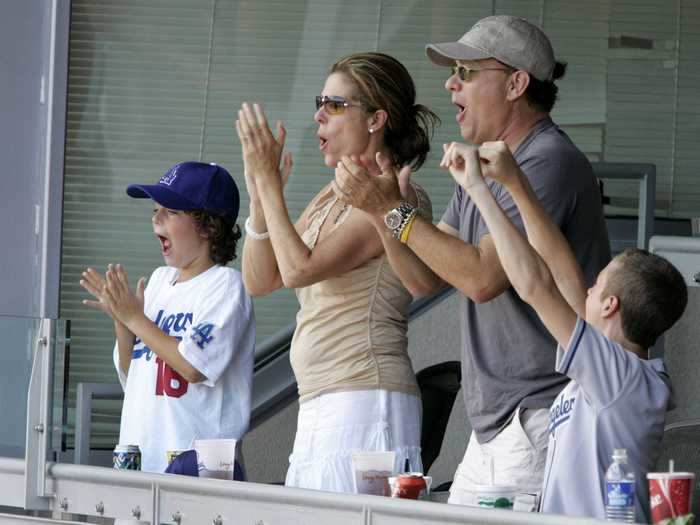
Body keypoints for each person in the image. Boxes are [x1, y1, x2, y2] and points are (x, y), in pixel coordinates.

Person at [333, 15, 611, 503]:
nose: (450, 83)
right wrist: (384, 214)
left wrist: (389, 213)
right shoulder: (487, 160)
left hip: (539, 414)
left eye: (466, 71)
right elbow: (425, 280)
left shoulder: (548, 160)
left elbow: (482, 278)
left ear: (516, 83)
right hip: (498, 427)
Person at [440, 140, 686, 522]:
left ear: (610, 305)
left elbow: (535, 285)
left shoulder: (618, 376)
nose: (588, 286)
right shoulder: (612, 369)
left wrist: (478, 190)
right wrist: (516, 183)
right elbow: (557, 266)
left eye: (599, 282)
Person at [235, 52, 439, 493]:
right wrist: (258, 198)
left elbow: (297, 269)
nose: (318, 116)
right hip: (323, 400)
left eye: (335, 105)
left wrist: (271, 186)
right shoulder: (331, 194)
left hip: (365, 397)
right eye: (319, 102)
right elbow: (259, 279)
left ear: (375, 119)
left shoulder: (392, 195)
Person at [80, 161, 255, 474]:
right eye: (155, 209)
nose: (156, 218)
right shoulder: (160, 280)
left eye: (172, 211)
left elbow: (193, 366)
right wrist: (122, 321)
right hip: (141, 459)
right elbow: (131, 375)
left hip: (197, 468)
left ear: (208, 226)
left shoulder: (227, 285)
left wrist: (134, 319)